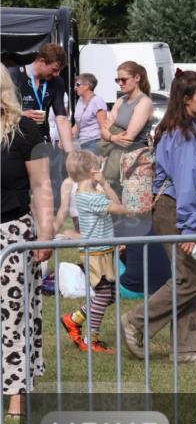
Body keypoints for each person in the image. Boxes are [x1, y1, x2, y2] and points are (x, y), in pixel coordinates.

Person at [120, 71, 196, 364]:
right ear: (187, 100)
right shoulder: (183, 136)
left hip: (174, 207)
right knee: (187, 280)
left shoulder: (180, 130)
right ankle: (136, 321)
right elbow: (185, 183)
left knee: (190, 277)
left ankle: (185, 348)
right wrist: (187, 228)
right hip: (175, 208)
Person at [0, 67, 53, 418]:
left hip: (12, 233)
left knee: (13, 315)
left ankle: (18, 393)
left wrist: (46, 233)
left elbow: (42, 187)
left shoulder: (24, 129)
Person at [59, 150, 128, 353]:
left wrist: (104, 184)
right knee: (104, 294)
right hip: (96, 255)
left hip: (104, 251)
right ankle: (92, 339)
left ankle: (73, 319)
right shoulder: (89, 197)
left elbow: (115, 203)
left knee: (110, 295)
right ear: (92, 170)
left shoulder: (93, 191)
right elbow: (120, 207)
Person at [8, 44, 70, 209]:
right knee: (21, 190)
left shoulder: (57, 82)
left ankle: (44, 229)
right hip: (15, 142)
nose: (56, 74)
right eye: (54, 69)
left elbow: (61, 118)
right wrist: (21, 115)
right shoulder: (13, 75)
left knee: (44, 191)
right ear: (42, 61)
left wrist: (71, 154)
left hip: (41, 144)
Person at [99, 61, 154, 191]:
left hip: (134, 166)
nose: (120, 83)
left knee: (129, 207)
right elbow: (103, 130)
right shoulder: (120, 100)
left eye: (124, 79)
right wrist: (113, 137)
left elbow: (127, 139)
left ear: (137, 78)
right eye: (117, 80)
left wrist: (109, 135)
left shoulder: (144, 102)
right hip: (116, 161)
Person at [72, 73, 107, 153]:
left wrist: (103, 150)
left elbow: (104, 127)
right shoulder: (80, 100)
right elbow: (77, 124)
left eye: (77, 84)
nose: (75, 88)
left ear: (87, 86)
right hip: (80, 143)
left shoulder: (97, 101)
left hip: (94, 143)